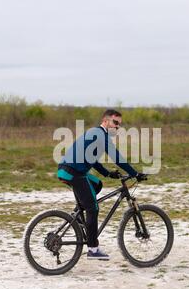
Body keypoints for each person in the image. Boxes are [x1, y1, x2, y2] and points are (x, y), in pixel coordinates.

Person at [57, 109, 146, 260]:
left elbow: (91, 159)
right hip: (74, 173)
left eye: (119, 125)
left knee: (97, 184)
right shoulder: (100, 134)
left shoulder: (96, 133)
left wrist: (107, 173)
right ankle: (93, 249)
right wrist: (134, 173)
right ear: (105, 121)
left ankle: (78, 216)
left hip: (68, 171)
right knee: (93, 208)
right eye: (115, 122)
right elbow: (116, 157)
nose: (117, 127)